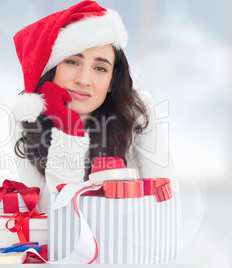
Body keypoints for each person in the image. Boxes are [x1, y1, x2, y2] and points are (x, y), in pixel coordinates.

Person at [11, 1, 178, 213]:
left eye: (100, 68)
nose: (84, 80)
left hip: (126, 236)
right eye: (72, 62)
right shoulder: (28, 116)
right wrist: (67, 129)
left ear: (112, 81)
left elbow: (166, 198)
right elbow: (47, 215)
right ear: (52, 68)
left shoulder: (136, 109)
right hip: (62, 241)